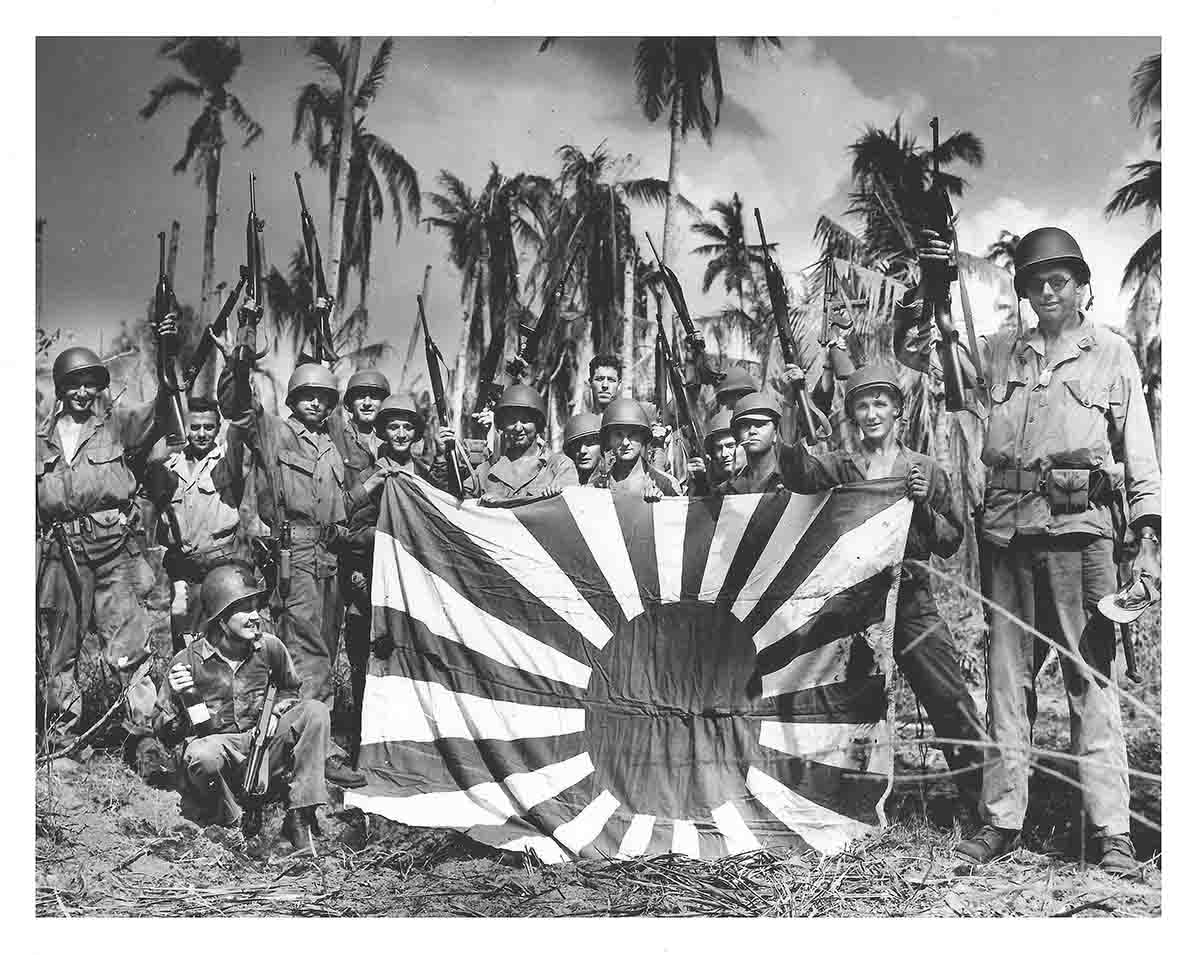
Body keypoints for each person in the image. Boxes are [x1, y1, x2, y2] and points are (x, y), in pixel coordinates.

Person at [899, 227, 1160, 876]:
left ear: (1079, 285)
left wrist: (1149, 538)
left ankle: (1113, 833)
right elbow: (925, 363)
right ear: (1023, 292)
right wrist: (929, 289)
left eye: (1059, 280)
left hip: (1083, 540)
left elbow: (1143, 461)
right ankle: (1003, 818)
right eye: (1035, 283)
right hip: (1009, 540)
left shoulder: (1112, 355)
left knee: (1091, 683)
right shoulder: (996, 354)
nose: (1047, 291)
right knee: (1006, 682)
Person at [778, 362, 988, 820]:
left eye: (881, 403)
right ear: (852, 414)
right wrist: (796, 405)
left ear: (899, 411)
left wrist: (923, 509)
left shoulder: (925, 469)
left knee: (949, 698)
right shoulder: (841, 466)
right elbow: (797, 475)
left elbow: (950, 542)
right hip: (854, 608)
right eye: (862, 405)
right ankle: (838, 807)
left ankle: (985, 808)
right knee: (842, 706)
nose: (871, 413)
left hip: (911, 599)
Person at [218, 360, 365, 788]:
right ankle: (311, 750)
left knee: (326, 642)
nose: (315, 403)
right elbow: (239, 405)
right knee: (307, 651)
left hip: (331, 551)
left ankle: (304, 742)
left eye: (323, 397)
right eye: (307, 396)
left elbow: (346, 498)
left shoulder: (335, 444)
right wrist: (237, 364)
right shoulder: (274, 431)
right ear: (293, 400)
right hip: (294, 551)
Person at [36, 340, 172, 751]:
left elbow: (161, 414)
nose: (82, 393)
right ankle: (60, 738)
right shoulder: (38, 439)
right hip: (60, 552)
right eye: (74, 385)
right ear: (60, 389)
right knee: (59, 648)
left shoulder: (117, 425)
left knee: (128, 646)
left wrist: (167, 359)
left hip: (114, 549)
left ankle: (144, 737)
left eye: (90, 384)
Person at [153, 563, 332, 854]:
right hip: (219, 759)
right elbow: (164, 732)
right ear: (221, 620)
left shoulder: (270, 648)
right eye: (244, 609)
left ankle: (300, 815)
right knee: (202, 754)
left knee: (315, 711)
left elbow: (290, 689)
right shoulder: (187, 661)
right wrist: (177, 696)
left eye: (255, 606)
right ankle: (232, 821)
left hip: (262, 749)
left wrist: (276, 712)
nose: (255, 616)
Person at [343, 395, 448, 760]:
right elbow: (350, 536)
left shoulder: (426, 475)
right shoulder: (367, 477)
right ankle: (366, 751)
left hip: (416, 596)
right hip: (373, 590)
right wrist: (383, 539)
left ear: (416, 433)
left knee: (414, 673)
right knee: (369, 674)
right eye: (393, 427)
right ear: (383, 432)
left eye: (407, 427)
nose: (401, 434)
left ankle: (410, 752)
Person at [145, 397, 249, 650]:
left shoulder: (228, 461)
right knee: (186, 644)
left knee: (225, 642)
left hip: (221, 565)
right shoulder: (169, 464)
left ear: (218, 427)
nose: (201, 434)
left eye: (209, 427)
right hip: (183, 571)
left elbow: (242, 430)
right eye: (194, 427)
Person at [443, 384, 578, 505]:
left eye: (525, 420)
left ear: (537, 425)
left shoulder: (560, 465)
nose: (518, 428)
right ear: (502, 425)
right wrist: (444, 456)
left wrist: (503, 502)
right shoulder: (487, 469)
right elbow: (456, 501)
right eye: (512, 420)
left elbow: (568, 505)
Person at [589, 398, 680, 500]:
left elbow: (683, 512)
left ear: (643, 438)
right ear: (609, 439)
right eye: (618, 435)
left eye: (632, 435)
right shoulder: (597, 487)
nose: (625, 443)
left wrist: (662, 505)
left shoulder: (665, 484)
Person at [714, 391, 790, 494]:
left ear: (776, 433)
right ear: (737, 436)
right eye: (745, 425)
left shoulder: (792, 480)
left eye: (760, 424)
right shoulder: (726, 490)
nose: (752, 431)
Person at [684, 409, 736, 496]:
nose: (724, 454)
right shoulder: (712, 481)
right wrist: (700, 480)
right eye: (719, 448)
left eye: (730, 446)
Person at [562, 412, 603, 485]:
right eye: (576, 445)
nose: (582, 451)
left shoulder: (612, 479)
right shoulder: (563, 479)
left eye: (590, 443)